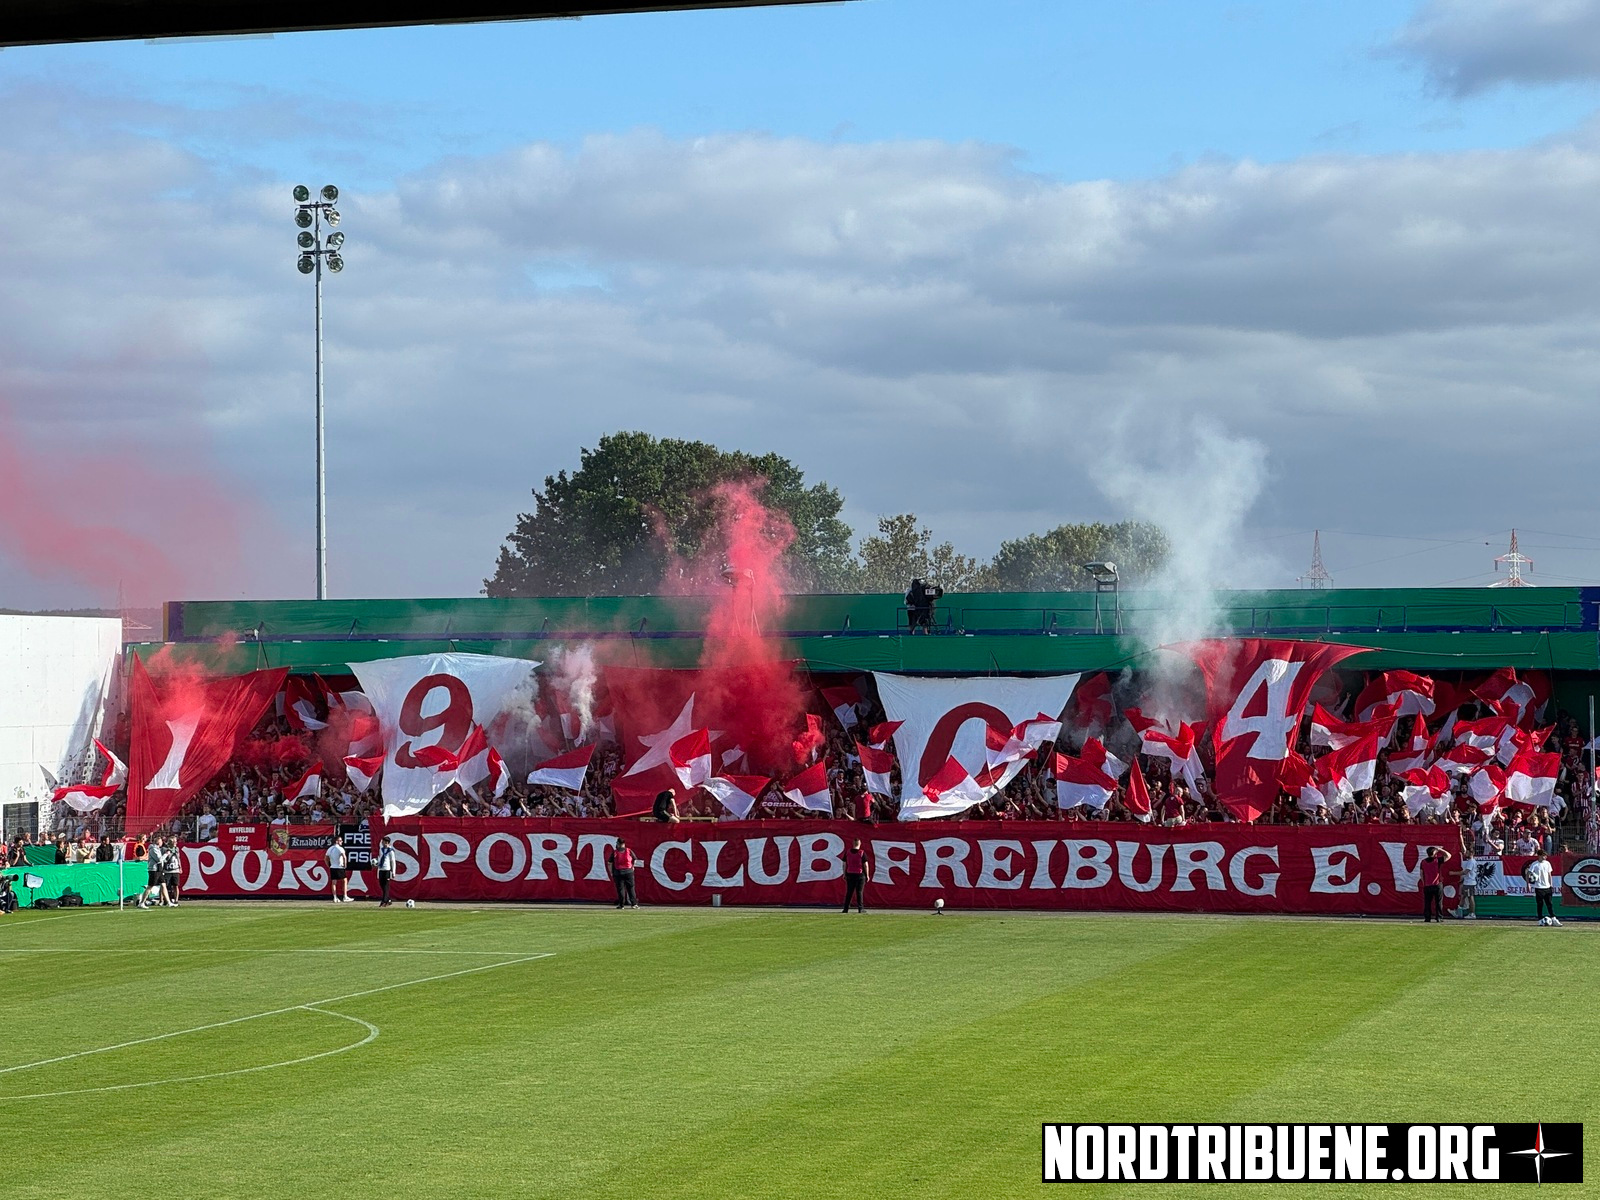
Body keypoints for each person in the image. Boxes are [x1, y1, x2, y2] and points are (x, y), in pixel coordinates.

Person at [1524, 849, 1560, 926]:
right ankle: (1540, 919)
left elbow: (1549, 874)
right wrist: (1528, 884)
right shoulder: (1535, 864)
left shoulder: (1547, 863)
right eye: (1544, 855)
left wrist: (1551, 885)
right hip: (1539, 887)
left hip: (1547, 887)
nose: (1546, 857)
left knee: (1549, 904)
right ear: (1540, 856)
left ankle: (1554, 919)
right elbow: (1528, 874)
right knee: (1540, 904)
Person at [1419, 846, 1450, 922]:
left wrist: (1424, 883)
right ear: (1434, 853)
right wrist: (1440, 849)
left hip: (1427, 885)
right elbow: (1449, 855)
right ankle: (1439, 917)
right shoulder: (1437, 861)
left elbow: (1421, 874)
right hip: (1437, 884)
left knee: (1427, 903)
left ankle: (1427, 918)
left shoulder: (1423, 862)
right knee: (1438, 902)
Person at [606, 838, 638, 909]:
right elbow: (635, 859)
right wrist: (632, 867)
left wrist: (611, 872)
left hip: (618, 872)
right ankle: (634, 904)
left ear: (618, 844)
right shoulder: (629, 851)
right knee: (631, 888)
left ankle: (621, 905)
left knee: (621, 889)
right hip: (629, 872)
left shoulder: (615, 852)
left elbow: (609, 863)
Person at [842, 838, 870, 913]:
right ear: (859, 843)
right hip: (860, 875)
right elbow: (866, 865)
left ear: (853, 843)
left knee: (849, 892)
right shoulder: (862, 853)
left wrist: (844, 874)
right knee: (859, 892)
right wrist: (867, 875)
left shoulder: (847, 852)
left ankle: (846, 908)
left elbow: (844, 864)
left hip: (850, 874)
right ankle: (860, 908)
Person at [1455, 849, 1478, 919]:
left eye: (1467, 852)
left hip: (1469, 883)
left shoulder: (1471, 862)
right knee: (1463, 897)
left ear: (1471, 853)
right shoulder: (1471, 861)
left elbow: (1465, 872)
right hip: (1467, 882)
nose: (1465, 853)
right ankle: (1458, 912)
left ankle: (1472, 914)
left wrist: (1453, 873)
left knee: (1470, 898)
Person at [326, 836, 349, 903]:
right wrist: (345, 865)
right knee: (344, 880)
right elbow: (344, 857)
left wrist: (329, 865)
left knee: (334, 882)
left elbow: (326, 858)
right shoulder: (340, 848)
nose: (341, 842)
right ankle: (345, 896)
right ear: (336, 841)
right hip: (339, 867)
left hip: (333, 867)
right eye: (340, 840)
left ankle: (335, 897)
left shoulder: (330, 849)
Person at [374, 836, 396, 907]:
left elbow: (393, 861)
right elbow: (380, 858)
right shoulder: (381, 849)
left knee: (386, 886)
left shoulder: (391, 851)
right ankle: (388, 899)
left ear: (386, 842)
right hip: (381, 869)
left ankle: (384, 901)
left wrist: (393, 871)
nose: (382, 843)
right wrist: (377, 864)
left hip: (387, 869)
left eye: (383, 841)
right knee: (382, 885)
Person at [163, 837, 181, 906]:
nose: (176, 843)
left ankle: (176, 900)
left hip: (175, 869)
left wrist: (180, 866)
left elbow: (178, 858)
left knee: (176, 885)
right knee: (166, 886)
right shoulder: (165, 849)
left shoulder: (177, 849)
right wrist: (169, 852)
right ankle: (166, 900)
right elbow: (165, 859)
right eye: (175, 841)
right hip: (167, 870)